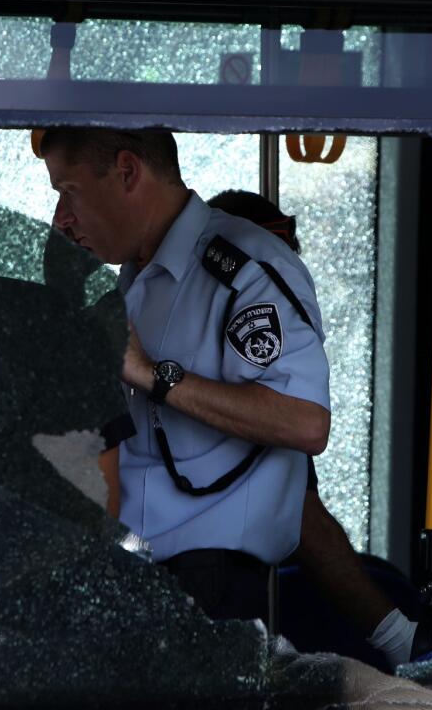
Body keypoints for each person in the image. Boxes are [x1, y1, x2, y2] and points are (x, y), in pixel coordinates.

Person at [42, 128, 330, 625]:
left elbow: (306, 423)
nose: (61, 220)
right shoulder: (135, 277)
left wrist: (152, 374)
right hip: (138, 573)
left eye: (70, 193)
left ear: (128, 172)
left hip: (215, 588)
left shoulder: (243, 269)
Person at [206, 189, 432, 672]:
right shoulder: (203, 373)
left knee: (383, 581)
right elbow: (295, 513)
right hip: (214, 609)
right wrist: (396, 634)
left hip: (241, 586)